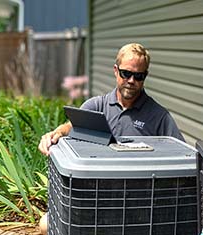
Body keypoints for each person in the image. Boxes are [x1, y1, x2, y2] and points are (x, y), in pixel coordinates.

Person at [38, 43, 184, 155]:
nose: (131, 80)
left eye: (138, 76)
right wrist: (55, 133)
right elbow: (72, 126)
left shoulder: (158, 116)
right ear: (116, 71)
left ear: (145, 76)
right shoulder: (96, 106)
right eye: (126, 73)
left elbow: (180, 151)